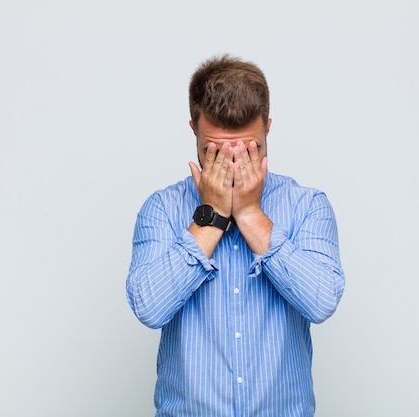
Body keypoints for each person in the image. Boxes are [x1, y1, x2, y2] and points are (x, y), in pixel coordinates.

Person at [126, 54, 345, 417]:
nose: (231, 166)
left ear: (267, 129)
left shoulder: (308, 206)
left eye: (247, 150)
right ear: (194, 129)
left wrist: (249, 214)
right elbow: (149, 308)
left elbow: (322, 301)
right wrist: (211, 217)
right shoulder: (162, 209)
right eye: (213, 151)